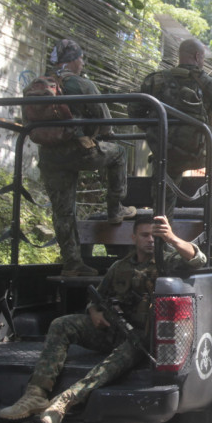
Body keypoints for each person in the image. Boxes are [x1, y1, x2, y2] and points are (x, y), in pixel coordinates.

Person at [0, 214, 206, 423]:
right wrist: (94, 311)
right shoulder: (120, 266)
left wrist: (171, 238)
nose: (150, 240)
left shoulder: (167, 262)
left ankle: (66, 400)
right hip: (112, 330)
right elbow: (97, 297)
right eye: (144, 235)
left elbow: (198, 260)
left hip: (141, 340)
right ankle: (36, 394)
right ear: (133, 237)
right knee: (61, 324)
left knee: (115, 361)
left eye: (154, 235)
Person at [39, 38, 135, 277]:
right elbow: (104, 121)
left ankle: (72, 264)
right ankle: (115, 209)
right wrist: (105, 133)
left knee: (62, 211)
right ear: (73, 60)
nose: (82, 63)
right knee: (119, 153)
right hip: (78, 151)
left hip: (49, 156)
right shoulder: (81, 84)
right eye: (81, 58)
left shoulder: (40, 84)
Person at [134, 37, 212, 220]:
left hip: (165, 153)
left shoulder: (156, 80)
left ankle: (161, 224)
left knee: (164, 182)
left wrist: (158, 132)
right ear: (197, 56)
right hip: (198, 152)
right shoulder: (210, 85)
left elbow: (135, 112)